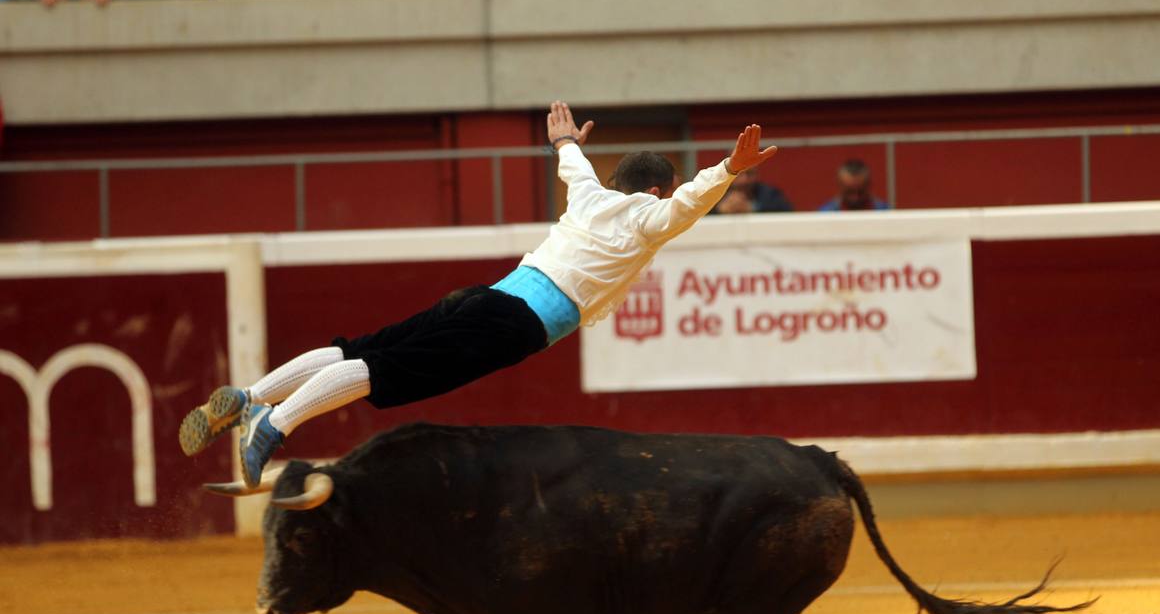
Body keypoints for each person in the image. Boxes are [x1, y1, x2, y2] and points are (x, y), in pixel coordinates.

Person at [180, 102, 778, 486]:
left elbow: (573, 163)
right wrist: (727, 169)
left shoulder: (590, 195)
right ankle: (273, 425)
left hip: (486, 296)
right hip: (516, 322)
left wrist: (566, 143)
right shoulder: (647, 214)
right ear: (651, 188)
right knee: (383, 369)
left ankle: (250, 394)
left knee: (358, 347)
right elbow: (684, 206)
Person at [713, 165, 792, 214]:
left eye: (749, 173)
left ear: (757, 174)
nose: (743, 180)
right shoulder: (713, 194)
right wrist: (719, 210)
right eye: (738, 174)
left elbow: (788, 215)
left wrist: (753, 208)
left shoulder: (770, 194)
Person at [819, 159, 888, 211]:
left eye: (860, 192)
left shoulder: (886, 214)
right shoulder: (824, 216)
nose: (855, 198)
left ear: (869, 185)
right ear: (839, 185)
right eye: (849, 192)